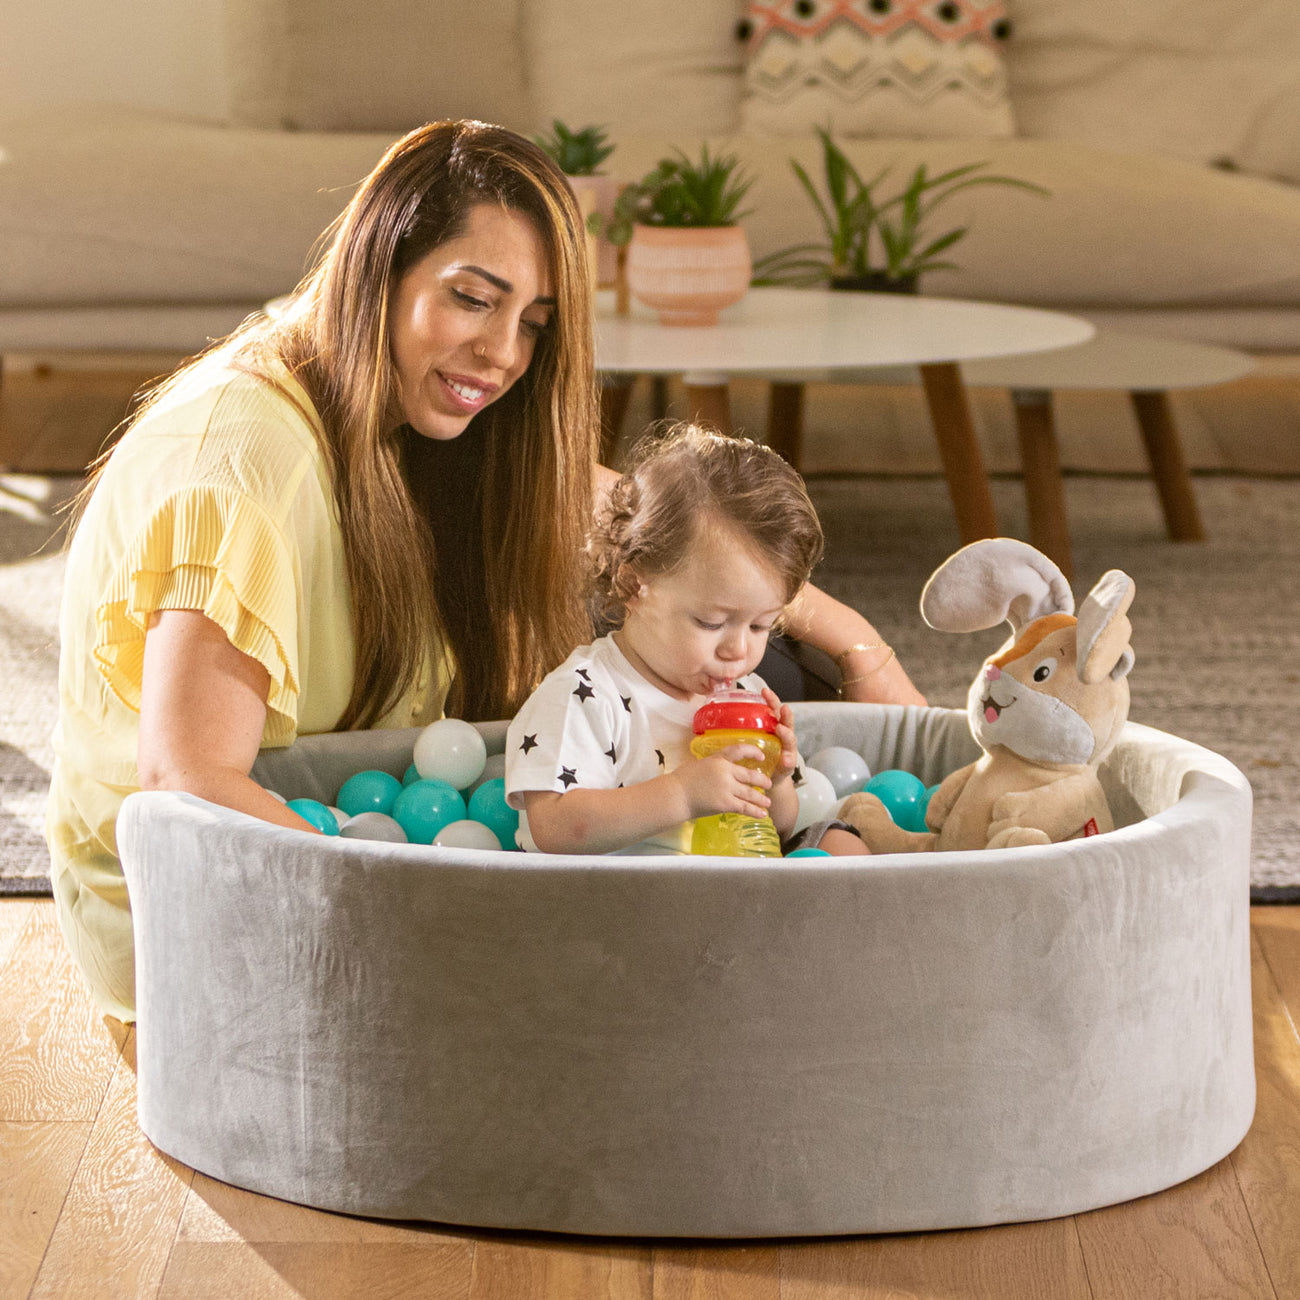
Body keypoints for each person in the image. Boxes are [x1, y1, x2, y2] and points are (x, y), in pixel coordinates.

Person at [47, 119, 920, 1023]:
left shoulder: (371, 387)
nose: (504, 355)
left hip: (392, 810)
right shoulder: (245, 463)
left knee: (759, 670)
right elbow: (188, 786)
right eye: (472, 298)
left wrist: (854, 641)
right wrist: (447, 905)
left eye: (533, 325)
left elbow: (660, 524)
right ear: (377, 270)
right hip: (227, 921)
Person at [505, 425, 870, 857]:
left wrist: (775, 780)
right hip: (632, 895)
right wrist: (680, 795)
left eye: (760, 627)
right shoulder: (586, 693)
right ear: (633, 585)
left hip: (734, 885)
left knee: (841, 842)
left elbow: (778, 828)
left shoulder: (746, 696)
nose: (738, 651)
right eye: (711, 622)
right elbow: (554, 826)